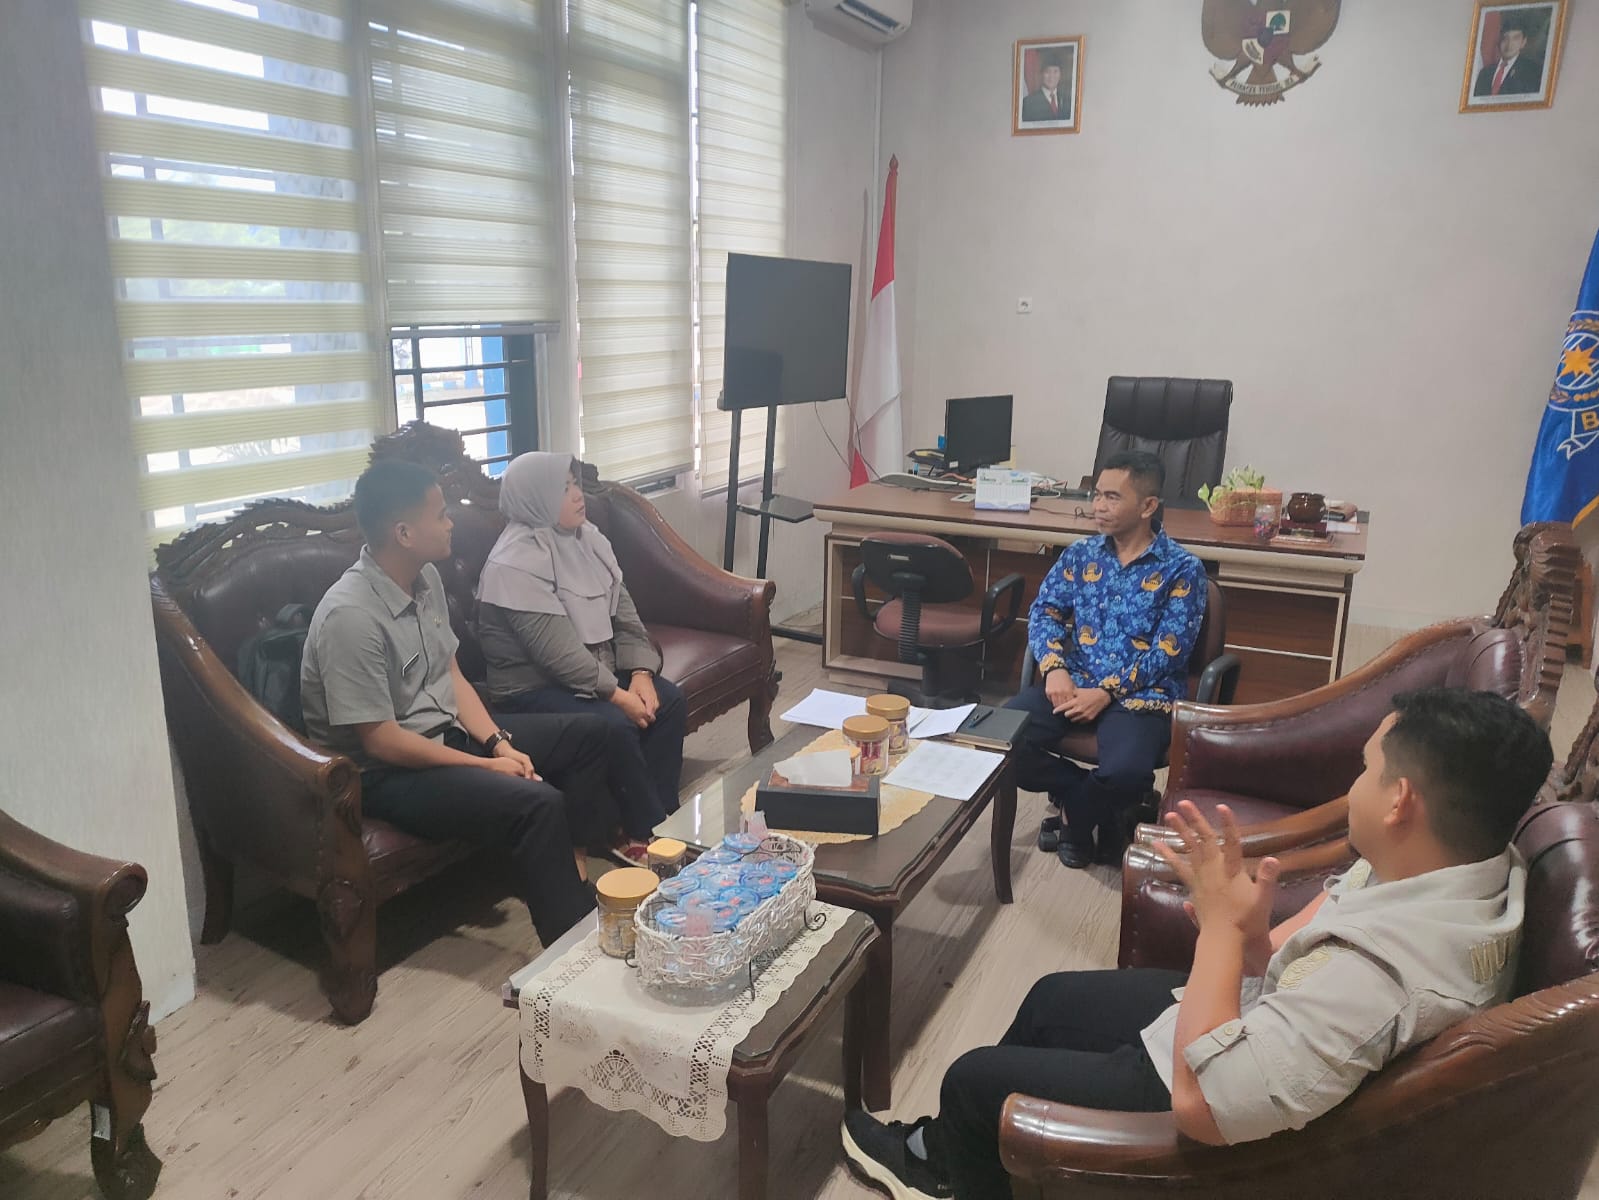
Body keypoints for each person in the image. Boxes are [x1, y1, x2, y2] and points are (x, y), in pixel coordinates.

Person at [840, 688, 1552, 1200]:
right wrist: (1248, 933)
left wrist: (1217, 926)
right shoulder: (1453, 864)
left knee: (972, 1079)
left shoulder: (1380, 976)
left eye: (1367, 770)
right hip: (1260, 1017)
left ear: (1400, 802)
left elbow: (1203, 1108)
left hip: (1216, 1090)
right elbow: (1282, 959)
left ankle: (951, 1170)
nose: (1354, 784)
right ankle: (970, 1155)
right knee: (1051, 999)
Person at [299, 458, 610, 947]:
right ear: (404, 533)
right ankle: (572, 948)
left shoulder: (425, 579)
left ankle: (570, 875)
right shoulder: (350, 616)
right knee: (538, 803)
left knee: (590, 733)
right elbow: (381, 741)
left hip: (446, 733)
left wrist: (499, 743)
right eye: (441, 515)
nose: (450, 525)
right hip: (384, 774)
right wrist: (486, 767)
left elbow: (452, 675)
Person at [475, 451, 687, 864]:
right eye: (563, 489)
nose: (577, 495)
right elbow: (558, 656)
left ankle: (665, 821)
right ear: (534, 499)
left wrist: (641, 674)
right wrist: (619, 696)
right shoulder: (513, 562)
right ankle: (642, 833)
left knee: (669, 701)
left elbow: (626, 615)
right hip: (532, 690)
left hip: (592, 675)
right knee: (612, 724)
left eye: (576, 484)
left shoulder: (588, 540)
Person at [1006, 450, 1206, 869]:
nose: (1098, 506)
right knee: (999, 740)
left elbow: (1170, 651)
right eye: (1097, 494)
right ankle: (1091, 799)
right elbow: (1045, 612)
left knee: (1127, 774)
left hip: (1141, 696)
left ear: (1148, 506)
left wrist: (1107, 691)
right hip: (1074, 681)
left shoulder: (1182, 568)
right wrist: (1054, 667)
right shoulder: (1081, 555)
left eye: (1112, 497)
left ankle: (1076, 818)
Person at [1473, 18, 1543, 97]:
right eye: (1505, 38)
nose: (1509, 44)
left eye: (1515, 38)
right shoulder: (1485, 73)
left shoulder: (1533, 72)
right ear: (1499, 40)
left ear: (1523, 42)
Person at [1020, 55, 1071, 123]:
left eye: (1055, 71)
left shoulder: (1067, 100)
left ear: (1060, 74)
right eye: (1047, 71)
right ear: (1041, 74)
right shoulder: (1028, 102)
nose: (1051, 76)